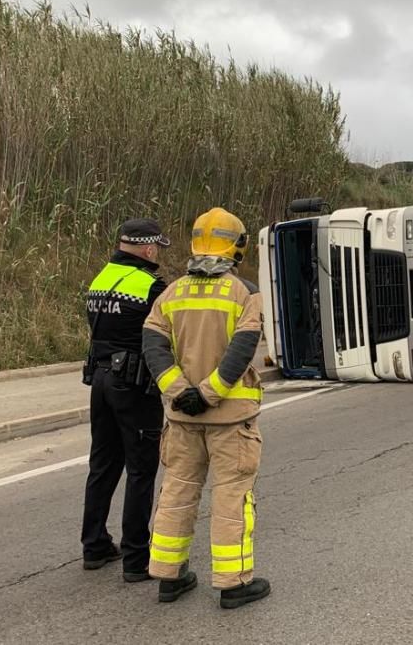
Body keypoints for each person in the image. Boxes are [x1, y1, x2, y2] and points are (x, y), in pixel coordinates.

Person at [142, 207, 270, 609]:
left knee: (177, 491)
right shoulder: (244, 292)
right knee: (232, 497)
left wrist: (180, 392)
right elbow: (242, 350)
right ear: (238, 247)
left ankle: (168, 576)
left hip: (181, 418)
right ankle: (233, 584)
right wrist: (210, 393)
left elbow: (153, 345)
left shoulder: (171, 292)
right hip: (230, 418)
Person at [81, 218, 170, 582]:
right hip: (134, 386)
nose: (158, 254)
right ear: (148, 248)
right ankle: (137, 557)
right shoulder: (150, 285)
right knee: (141, 470)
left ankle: (94, 545)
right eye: (157, 248)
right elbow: (164, 335)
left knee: (102, 464)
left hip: (99, 381)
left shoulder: (100, 279)